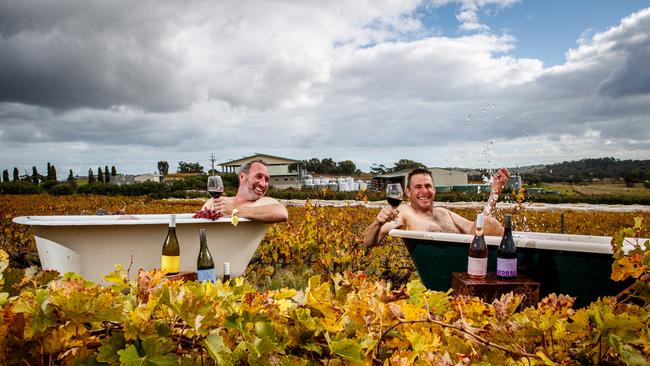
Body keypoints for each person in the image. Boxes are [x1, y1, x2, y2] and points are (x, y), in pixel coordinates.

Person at [363, 167, 511, 248]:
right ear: (408, 192)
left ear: (434, 190)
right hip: (448, 266)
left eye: (428, 186)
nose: (424, 191)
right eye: (418, 187)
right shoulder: (404, 212)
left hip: (469, 259)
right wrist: (378, 223)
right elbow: (369, 242)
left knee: (488, 223)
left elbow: (479, 228)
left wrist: (495, 192)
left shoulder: (444, 213)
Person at [202, 159, 288, 223]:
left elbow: (281, 213)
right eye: (258, 177)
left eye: (266, 180)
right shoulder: (214, 202)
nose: (263, 184)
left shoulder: (263, 202)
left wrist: (234, 210)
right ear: (242, 177)